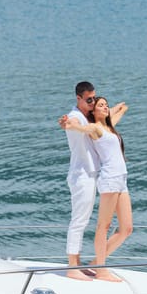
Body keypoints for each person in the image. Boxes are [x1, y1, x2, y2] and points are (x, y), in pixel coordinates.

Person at [59, 82, 126, 281]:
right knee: (79, 220)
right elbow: (72, 125)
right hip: (82, 175)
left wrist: (111, 108)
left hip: (92, 175)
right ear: (78, 98)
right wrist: (64, 123)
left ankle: (77, 263)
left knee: (84, 220)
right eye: (89, 100)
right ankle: (72, 266)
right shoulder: (75, 116)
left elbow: (105, 118)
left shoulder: (89, 116)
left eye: (93, 99)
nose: (92, 102)